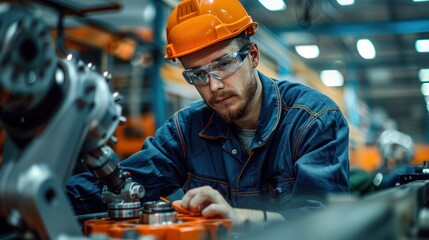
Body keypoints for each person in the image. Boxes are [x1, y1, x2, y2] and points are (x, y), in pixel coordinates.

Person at [66, 0, 349, 226]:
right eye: (197, 75)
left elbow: (326, 224)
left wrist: (240, 218)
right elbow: (117, 185)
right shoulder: (186, 131)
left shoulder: (313, 120)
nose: (214, 85)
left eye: (224, 64)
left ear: (252, 56)